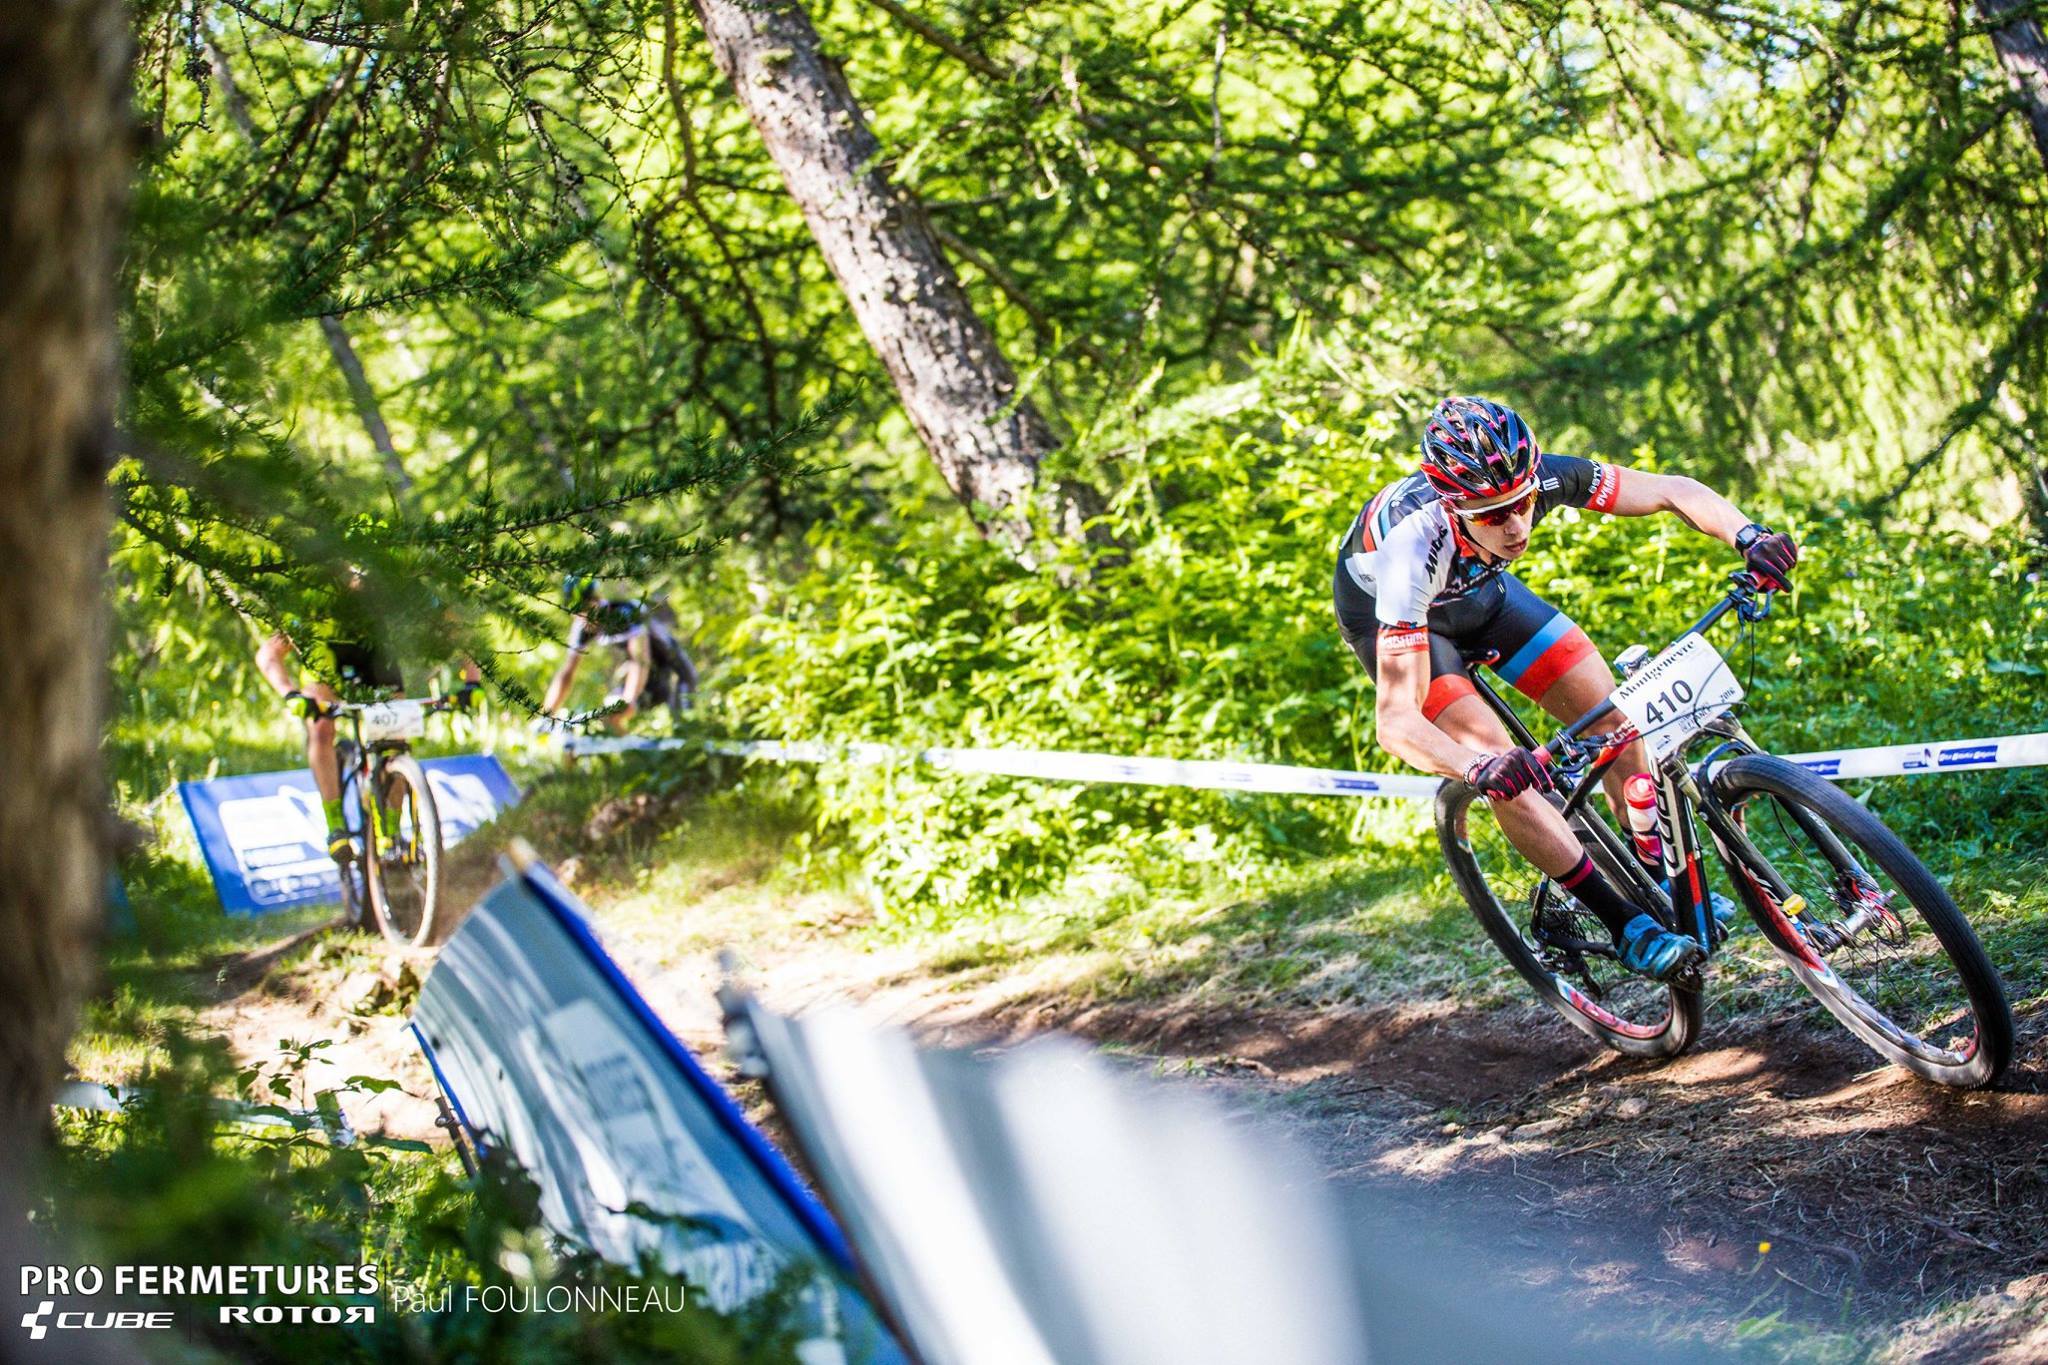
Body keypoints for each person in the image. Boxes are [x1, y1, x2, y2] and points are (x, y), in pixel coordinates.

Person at [1335, 397, 1798, 980]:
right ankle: (1624, 922)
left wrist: (1748, 535)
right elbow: (1396, 723)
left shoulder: (1537, 477)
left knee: (1615, 717)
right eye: (1490, 515)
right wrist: (1474, 770)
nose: (1515, 526)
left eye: (1524, 503)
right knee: (1498, 762)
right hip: (1405, 620)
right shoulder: (1412, 547)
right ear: (1453, 507)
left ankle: (1652, 863)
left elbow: (1671, 490)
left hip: (1480, 590)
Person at [255, 583, 479, 863]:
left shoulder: (398, 584)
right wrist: (290, 693)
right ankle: (336, 826)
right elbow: (268, 655)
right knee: (321, 727)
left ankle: (391, 835)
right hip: (326, 662)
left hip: (377, 660)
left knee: (396, 742)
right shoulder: (314, 597)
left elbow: (462, 632)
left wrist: (473, 682)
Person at [539, 576, 698, 735]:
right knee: (609, 713)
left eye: (587, 609)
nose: (584, 617)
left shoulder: (627, 613)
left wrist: (629, 699)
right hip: (648, 676)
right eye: (577, 612)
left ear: (598, 601)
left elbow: (639, 660)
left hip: (675, 668)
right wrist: (546, 715)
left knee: (683, 724)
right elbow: (567, 672)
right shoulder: (581, 627)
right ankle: (633, 753)